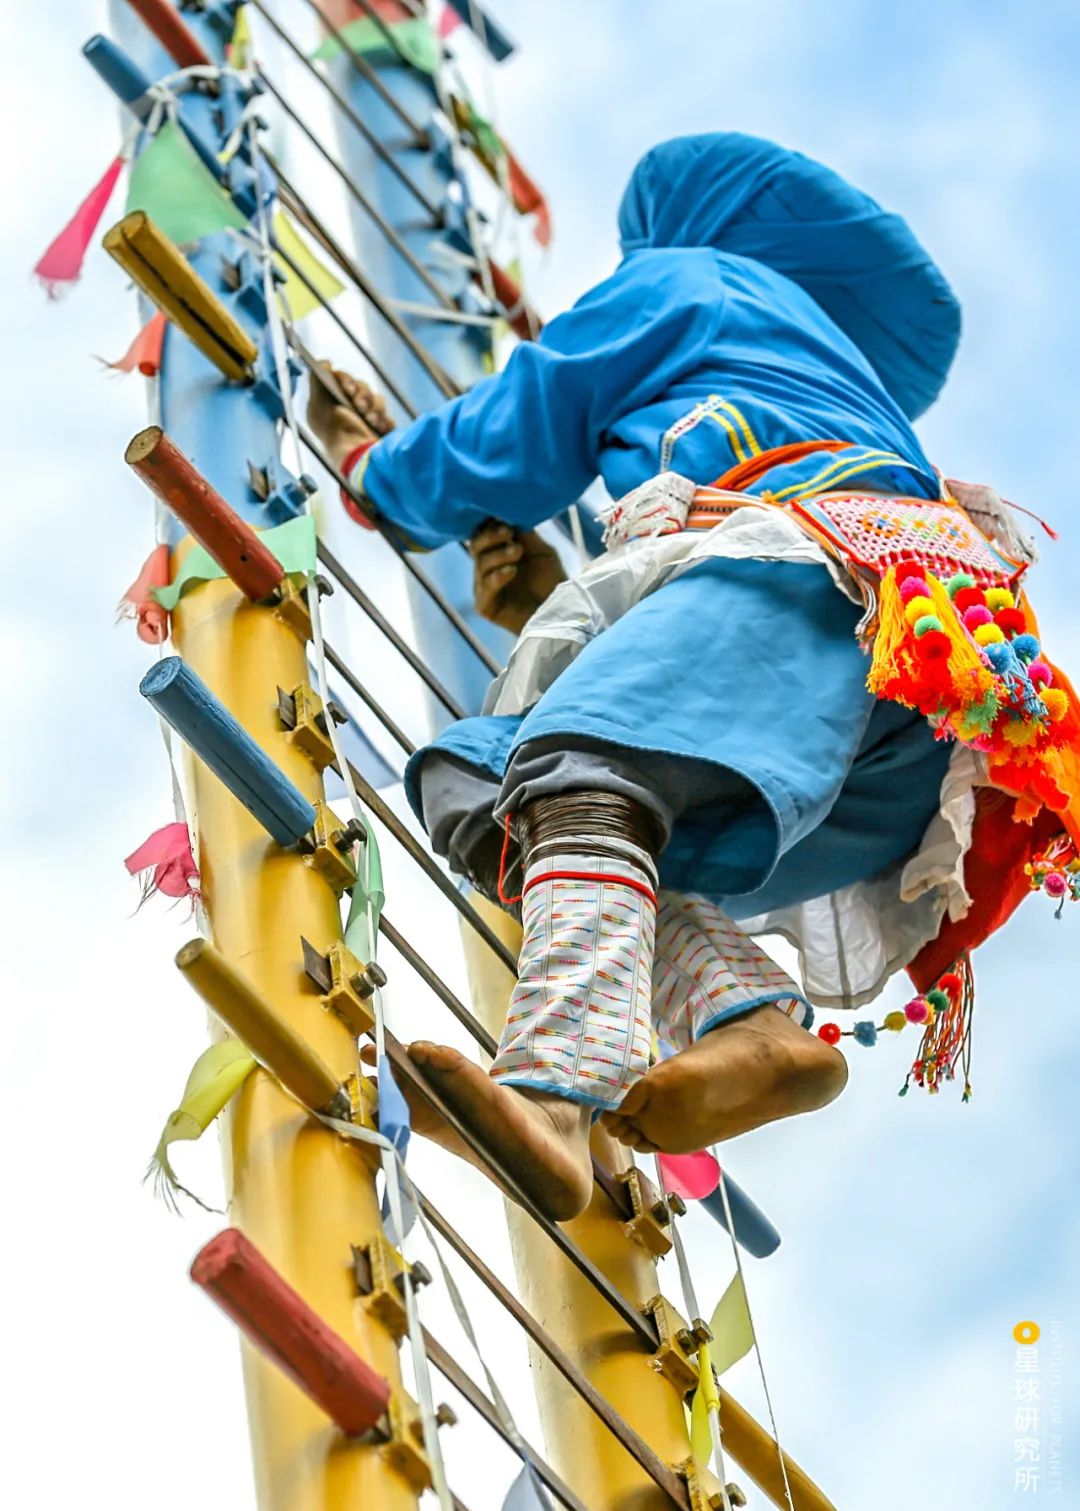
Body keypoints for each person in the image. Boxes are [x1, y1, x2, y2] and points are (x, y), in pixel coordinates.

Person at [309, 133, 1080, 1222]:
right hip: (900, 704)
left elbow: (525, 414)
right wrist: (549, 598)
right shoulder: (824, 375)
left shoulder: (694, 278)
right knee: (492, 783)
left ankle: (550, 1095)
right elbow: (705, 677)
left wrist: (374, 471)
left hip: (809, 579)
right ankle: (751, 1020)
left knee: (581, 773)